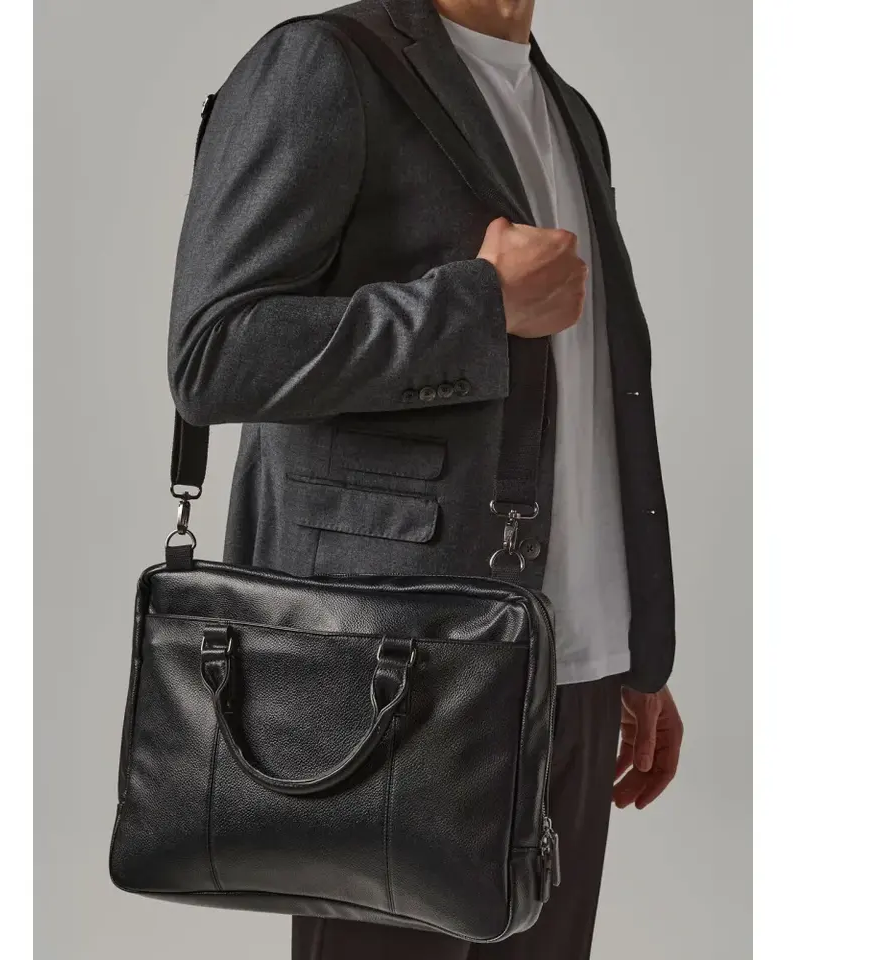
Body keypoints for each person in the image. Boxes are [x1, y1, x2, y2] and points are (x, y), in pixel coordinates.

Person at [167, 0, 684, 956]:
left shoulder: (570, 113)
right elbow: (215, 356)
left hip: (567, 669)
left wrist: (633, 643)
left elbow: (592, 400)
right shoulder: (323, 65)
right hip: (391, 668)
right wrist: (474, 307)